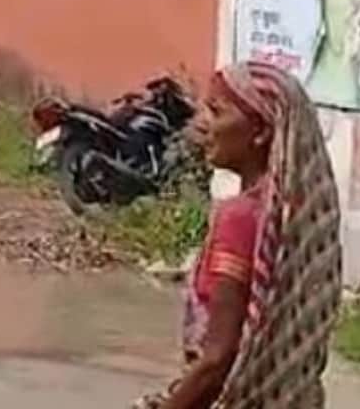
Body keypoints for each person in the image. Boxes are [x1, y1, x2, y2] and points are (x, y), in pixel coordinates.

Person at [134, 62, 342, 409]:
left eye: (216, 112)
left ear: (259, 131)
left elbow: (217, 360)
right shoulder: (291, 220)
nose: (203, 124)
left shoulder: (239, 218)